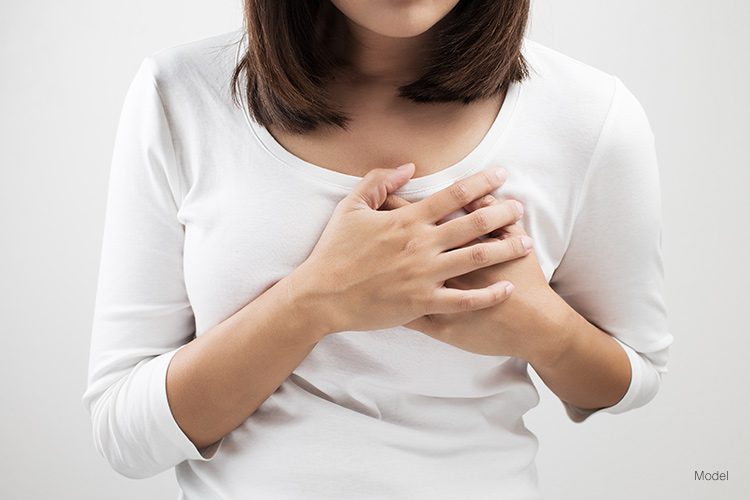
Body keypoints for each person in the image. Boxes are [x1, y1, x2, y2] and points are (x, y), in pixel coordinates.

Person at [82, 0, 673, 498]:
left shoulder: (589, 114)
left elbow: (633, 379)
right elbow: (125, 435)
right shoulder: (180, 94)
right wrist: (315, 301)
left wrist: (542, 326)